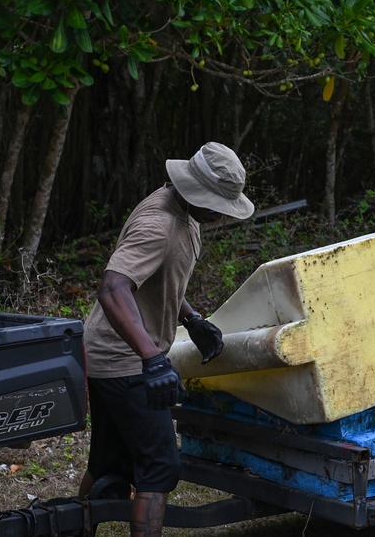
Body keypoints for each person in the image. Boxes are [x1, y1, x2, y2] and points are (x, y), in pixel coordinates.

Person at [78, 142, 255, 537]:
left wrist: (191, 319)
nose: (217, 215)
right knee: (160, 466)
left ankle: (75, 528)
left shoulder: (185, 212)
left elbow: (158, 280)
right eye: (215, 207)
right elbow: (113, 288)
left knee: (109, 462)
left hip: (110, 352)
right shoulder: (159, 223)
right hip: (123, 359)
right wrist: (151, 359)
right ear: (196, 192)